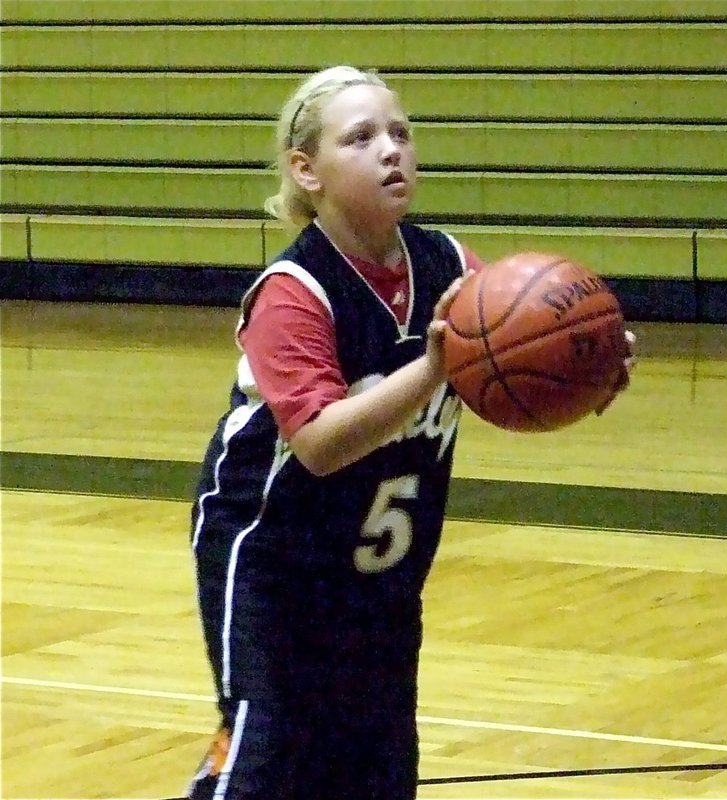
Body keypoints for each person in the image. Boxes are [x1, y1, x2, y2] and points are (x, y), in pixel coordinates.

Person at [186, 65, 632, 799]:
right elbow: (321, 444)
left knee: (379, 768)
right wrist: (431, 368)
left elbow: (510, 374)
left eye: (400, 132)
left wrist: (587, 370)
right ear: (308, 170)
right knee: (265, 757)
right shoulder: (293, 291)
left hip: (383, 577)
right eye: (360, 138)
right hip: (274, 567)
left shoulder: (453, 268)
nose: (390, 149)